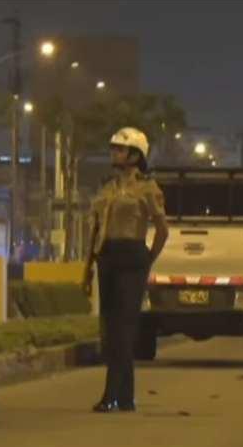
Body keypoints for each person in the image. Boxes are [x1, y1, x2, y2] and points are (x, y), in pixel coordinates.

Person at [81, 127, 170, 413]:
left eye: (120, 150)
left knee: (123, 329)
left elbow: (162, 230)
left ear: (135, 155)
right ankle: (127, 397)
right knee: (110, 328)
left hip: (132, 258)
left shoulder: (148, 188)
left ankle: (110, 396)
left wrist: (147, 259)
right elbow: (95, 231)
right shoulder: (106, 188)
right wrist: (87, 269)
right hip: (107, 257)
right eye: (114, 149)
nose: (114, 154)